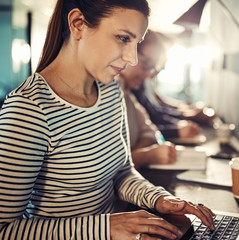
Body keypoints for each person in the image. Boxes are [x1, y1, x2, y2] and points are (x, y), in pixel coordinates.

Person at [0, 1, 215, 239]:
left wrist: (159, 198)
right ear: (78, 24)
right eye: (124, 38)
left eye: (137, 43)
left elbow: (122, 172)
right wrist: (105, 228)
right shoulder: (28, 110)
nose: (132, 58)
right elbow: (4, 230)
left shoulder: (110, 90)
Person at [120, 30, 204, 140]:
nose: (149, 75)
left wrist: (183, 115)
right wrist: (179, 124)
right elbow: (153, 116)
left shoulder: (126, 93)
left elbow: (149, 127)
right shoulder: (119, 89)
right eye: (146, 64)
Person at [117, 72, 177, 169]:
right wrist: (145, 156)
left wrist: (135, 156)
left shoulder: (126, 92)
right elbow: (110, 170)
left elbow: (151, 131)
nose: (147, 75)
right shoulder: (112, 91)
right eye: (145, 64)